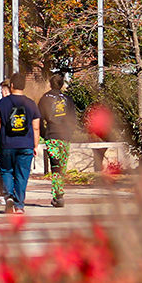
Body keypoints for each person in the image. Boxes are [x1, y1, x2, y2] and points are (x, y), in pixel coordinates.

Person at [0, 71, 41, 213]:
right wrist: (35, 145)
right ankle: (19, 205)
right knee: (22, 175)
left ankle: (9, 196)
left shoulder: (3, 103)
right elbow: (36, 126)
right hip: (26, 144)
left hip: (7, 144)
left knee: (6, 171)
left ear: (12, 85)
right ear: (24, 86)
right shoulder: (31, 104)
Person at [39, 73, 78, 208]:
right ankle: (59, 193)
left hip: (52, 135)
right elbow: (73, 119)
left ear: (50, 84)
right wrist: (70, 132)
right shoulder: (68, 99)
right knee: (62, 165)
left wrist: (44, 133)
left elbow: (38, 119)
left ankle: (58, 194)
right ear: (62, 85)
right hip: (65, 136)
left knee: (55, 165)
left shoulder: (44, 99)